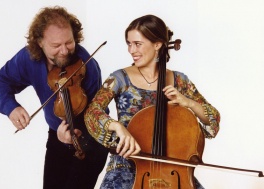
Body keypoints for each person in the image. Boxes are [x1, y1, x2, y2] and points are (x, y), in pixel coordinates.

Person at [84, 14, 220, 189]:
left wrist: (188, 102)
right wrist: (117, 127)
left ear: (157, 44)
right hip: (126, 165)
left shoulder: (179, 81)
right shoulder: (119, 78)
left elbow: (213, 119)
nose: (131, 50)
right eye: (129, 43)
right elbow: (92, 112)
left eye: (138, 44)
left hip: (172, 170)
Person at [0, 6, 109, 189]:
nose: (64, 51)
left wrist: (73, 135)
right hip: (56, 134)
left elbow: (98, 116)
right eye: (55, 45)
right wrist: (11, 106)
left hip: (90, 139)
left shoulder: (87, 65)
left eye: (69, 42)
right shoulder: (28, 58)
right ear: (39, 43)